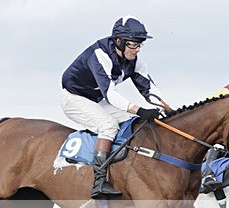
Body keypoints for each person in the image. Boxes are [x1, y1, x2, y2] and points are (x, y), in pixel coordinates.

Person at [62, 16, 170, 198]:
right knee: (109, 125)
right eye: (133, 45)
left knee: (133, 122)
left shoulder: (135, 60)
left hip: (96, 100)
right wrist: (140, 109)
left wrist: (167, 109)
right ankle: (99, 182)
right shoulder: (100, 55)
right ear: (118, 41)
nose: (136, 50)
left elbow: (150, 89)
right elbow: (110, 94)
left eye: (139, 45)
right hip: (74, 99)